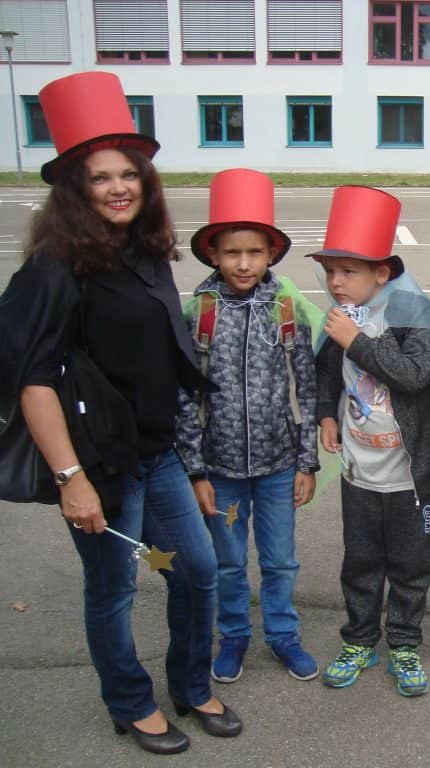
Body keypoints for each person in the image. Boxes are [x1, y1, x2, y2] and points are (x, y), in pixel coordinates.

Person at [0, 72, 240, 754]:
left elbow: (164, 367)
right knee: (112, 590)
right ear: (74, 188)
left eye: (127, 173)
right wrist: (70, 477)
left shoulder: (146, 253)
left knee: (195, 570)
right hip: (101, 467)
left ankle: (192, 686)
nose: (117, 188)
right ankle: (129, 702)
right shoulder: (55, 269)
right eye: (98, 177)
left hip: (158, 456)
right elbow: (32, 380)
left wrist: (191, 462)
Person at [176, 169, 322, 684]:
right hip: (222, 470)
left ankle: (283, 635)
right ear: (214, 255)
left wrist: (308, 462)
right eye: (232, 252)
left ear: (270, 256)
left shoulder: (286, 312)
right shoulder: (199, 314)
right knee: (229, 563)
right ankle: (234, 635)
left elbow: (305, 390)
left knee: (281, 561)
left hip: (280, 467)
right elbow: (184, 397)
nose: (243, 263)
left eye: (254, 252)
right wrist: (195, 470)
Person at [313, 186, 430, 697]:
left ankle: (406, 643)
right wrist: (326, 414)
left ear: (382, 273)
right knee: (361, 560)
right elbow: (327, 370)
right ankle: (360, 638)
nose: (336, 282)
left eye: (349, 271)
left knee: (411, 564)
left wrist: (357, 341)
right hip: (359, 471)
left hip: (411, 475)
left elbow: (414, 377)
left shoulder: (413, 317)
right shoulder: (342, 320)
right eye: (330, 271)